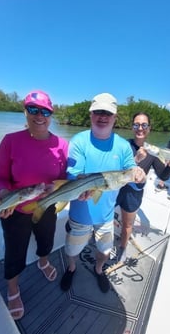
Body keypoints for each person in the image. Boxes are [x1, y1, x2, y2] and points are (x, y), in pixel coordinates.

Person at [60, 93, 146, 293]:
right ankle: (72, 268)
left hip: (106, 215)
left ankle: (99, 270)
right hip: (80, 213)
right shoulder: (79, 141)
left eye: (108, 113)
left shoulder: (123, 146)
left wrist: (138, 175)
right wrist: (78, 186)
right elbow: (74, 173)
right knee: (72, 249)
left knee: (105, 250)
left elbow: (131, 174)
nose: (103, 116)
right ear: (91, 115)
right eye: (98, 111)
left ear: (115, 117)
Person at [0, 90, 68, 320]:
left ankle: (43, 261)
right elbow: (0, 178)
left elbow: (65, 177)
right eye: (33, 110)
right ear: (25, 112)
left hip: (46, 206)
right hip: (16, 209)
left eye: (45, 111)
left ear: (51, 115)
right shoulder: (10, 141)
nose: (39, 116)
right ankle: (13, 288)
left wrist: (57, 188)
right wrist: (3, 194)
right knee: (15, 251)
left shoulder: (63, 145)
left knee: (46, 240)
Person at [115, 112, 170, 261]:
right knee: (104, 217)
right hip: (115, 189)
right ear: (132, 127)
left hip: (133, 194)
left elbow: (163, 176)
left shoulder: (154, 151)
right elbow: (115, 170)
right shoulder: (123, 145)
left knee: (128, 225)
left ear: (149, 128)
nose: (140, 128)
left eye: (144, 125)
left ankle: (122, 248)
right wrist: (136, 159)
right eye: (136, 124)